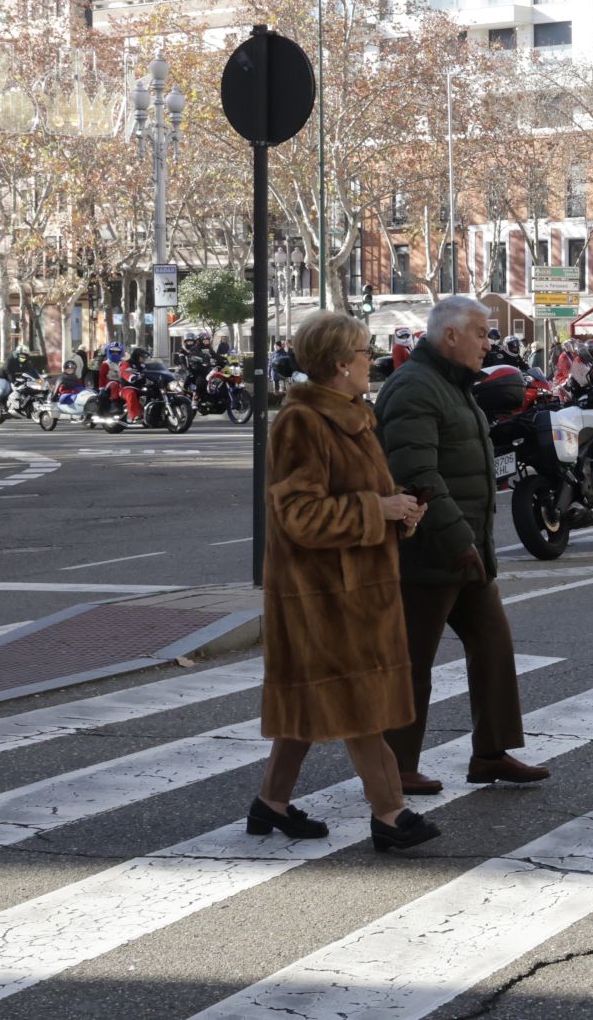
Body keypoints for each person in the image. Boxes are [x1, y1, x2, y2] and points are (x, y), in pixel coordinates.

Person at [254, 310, 440, 852]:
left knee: (311, 706)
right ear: (339, 364)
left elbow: (361, 501)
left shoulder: (354, 415)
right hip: (321, 594)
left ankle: (270, 803)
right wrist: (376, 509)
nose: (371, 361)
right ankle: (390, 812)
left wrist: (400, 510)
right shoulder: (303, 423)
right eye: (364, 353)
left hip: (353, 587)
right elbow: (300, 516)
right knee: (358, 705)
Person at [376, 295, 549, 794]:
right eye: (480, 332)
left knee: (493, 644)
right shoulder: (414, 388)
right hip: (429, 547)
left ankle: (491, 753)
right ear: (449, 335)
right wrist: (456, 538)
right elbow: (416, 472)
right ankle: (396, 766)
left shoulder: (453, 385)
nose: (487, 342)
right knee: (413, 660)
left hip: (466, 546)